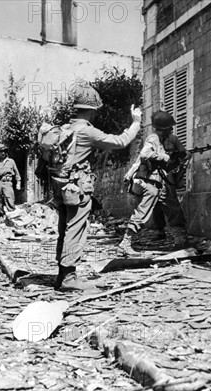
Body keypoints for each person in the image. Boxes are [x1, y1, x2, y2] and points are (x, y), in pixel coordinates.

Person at [51, 83, 142, 291]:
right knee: (76, 229)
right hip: (77, 189)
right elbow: (120, 142)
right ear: (92, 111)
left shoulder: (64, 129)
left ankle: (62, 274)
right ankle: (68, 278)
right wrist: (135, 122)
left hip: (60, 187)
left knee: (64, 229)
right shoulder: (86, 131)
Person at [118, 111, 189, 257]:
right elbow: (145, 154)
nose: (171, 130)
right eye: (168, 127)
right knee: (143, 211)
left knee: (174, 210)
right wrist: (163, 156)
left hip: (166, 182)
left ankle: (180, 241)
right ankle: (125, 244)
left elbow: (184, 153)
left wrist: (182, 156)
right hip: (152, 181)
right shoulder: (153, 138)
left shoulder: (173, 139)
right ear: (162, 128)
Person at [0, 144, 21, 217]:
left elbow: (16, 173)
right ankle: (1, 216)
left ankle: (12, 215)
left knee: (10, 199)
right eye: (1, 152)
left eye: (4, 151)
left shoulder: (11, 161)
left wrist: (18, 182)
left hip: (8, 183)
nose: (3, 153)